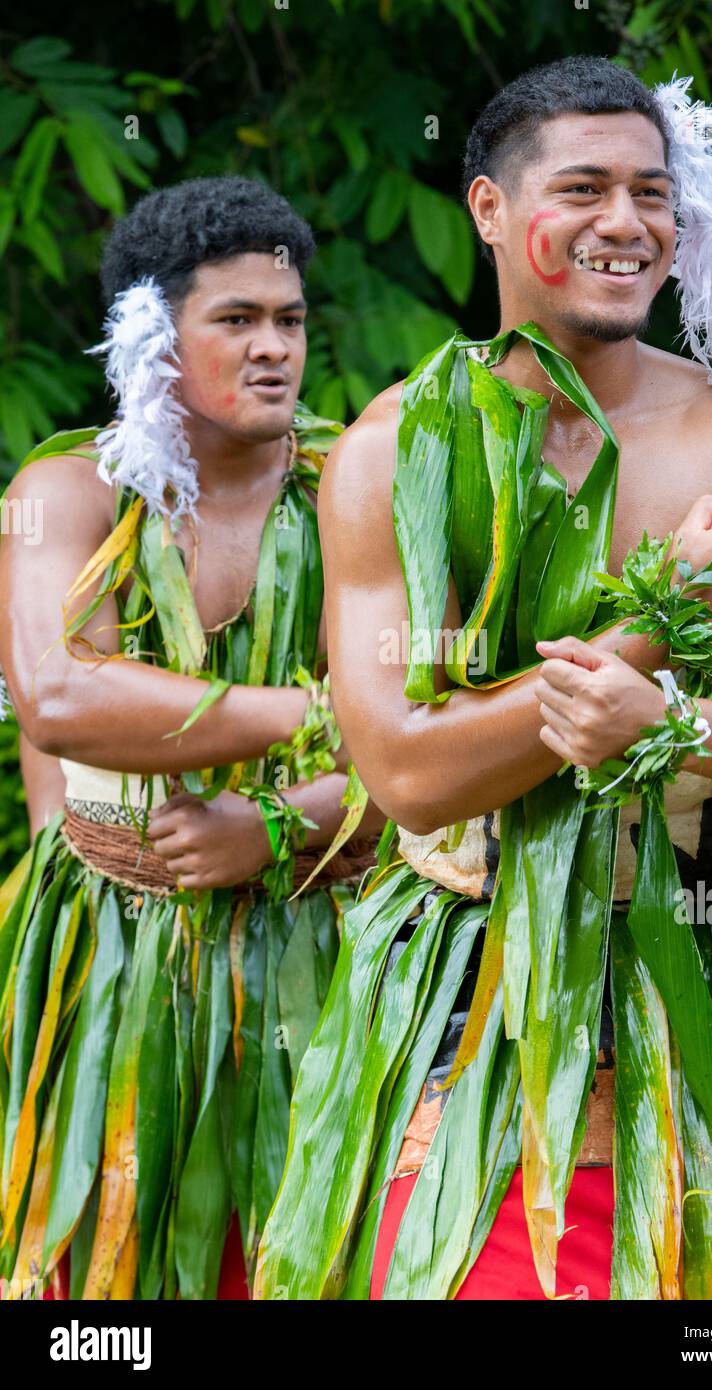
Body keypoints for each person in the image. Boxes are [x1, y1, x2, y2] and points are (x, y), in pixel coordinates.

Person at [255, 58, 712, 1301]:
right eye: (581, 187)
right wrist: (663, 625)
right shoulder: (390, 453)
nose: (625, 223)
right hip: (478, 1035)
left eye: (650, 192)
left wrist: (675, 727)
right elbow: (410, 774)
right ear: (487, 208)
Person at [0, 174, 382, 1300]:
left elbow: (434, 737)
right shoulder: (69, 491)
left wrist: (275, 823)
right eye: (236, 320)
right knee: (94, 1283)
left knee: (304, 1262)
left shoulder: (353, 492)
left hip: (321, 943)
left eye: (291, 321)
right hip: (97, 953)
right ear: (149, 337)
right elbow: (58, 700)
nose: (275, 348)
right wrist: (311, 714)